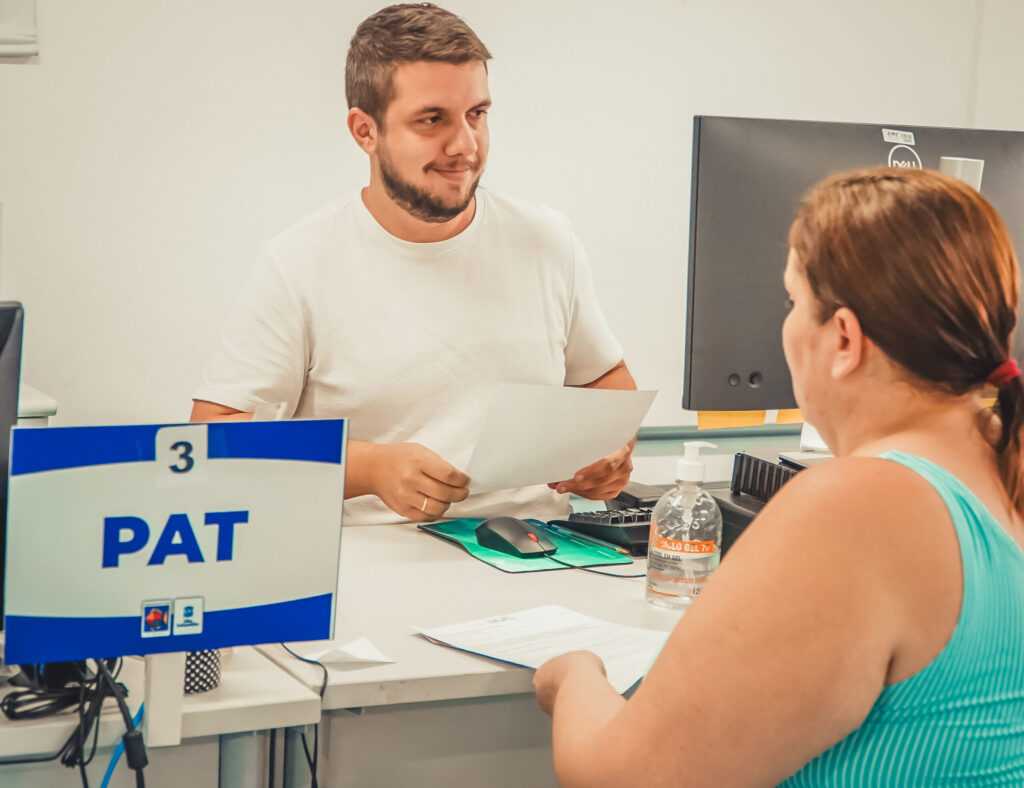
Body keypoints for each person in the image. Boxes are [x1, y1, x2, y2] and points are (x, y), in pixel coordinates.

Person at [533, 167, 1024, 786]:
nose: (786, 326)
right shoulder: (999, 473)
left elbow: (627, 777)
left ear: (844, 338)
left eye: (793, 302)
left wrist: (576, 674)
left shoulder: (861, 507)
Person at [191, 3, 637, 526]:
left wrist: (610, 454)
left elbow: (605, 383)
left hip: (542, 553)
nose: (465, 145)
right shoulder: (298, 264)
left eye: (477, 114)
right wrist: (367, 467)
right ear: (365, 131)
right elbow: (212, 444)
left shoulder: (545, 239)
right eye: (432, 120)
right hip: (376, 566)